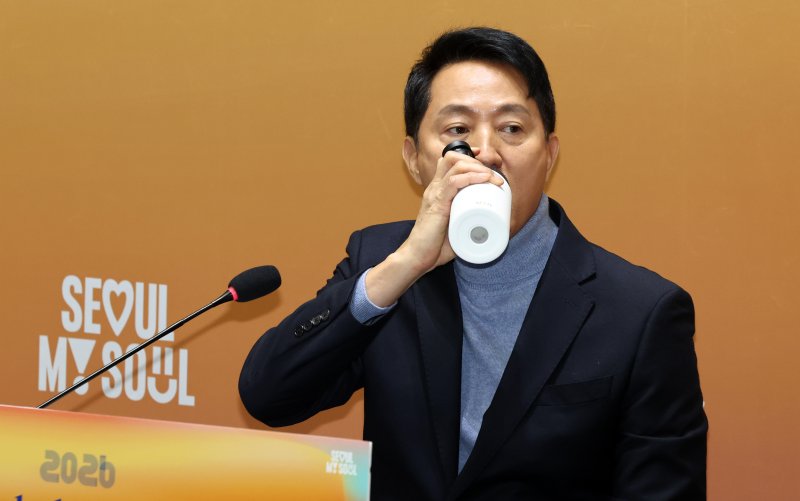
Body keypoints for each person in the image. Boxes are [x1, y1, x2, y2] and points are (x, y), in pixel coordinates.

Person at [239, 27, 707, 500]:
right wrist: (405, 265)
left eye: (512, 129)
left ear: (549, 154)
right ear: (413, 159)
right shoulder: (380, 261)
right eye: (458, 132)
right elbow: (269, 396)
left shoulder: (640, 312)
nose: (486, 153)